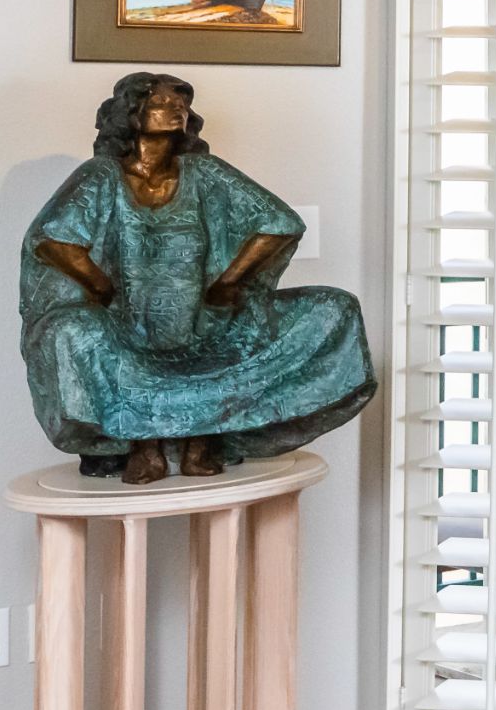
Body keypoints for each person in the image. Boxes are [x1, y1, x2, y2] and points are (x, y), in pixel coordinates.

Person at [21, 73, 375, 484]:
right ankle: (144, 444)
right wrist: (102, 287)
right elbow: (51, 240)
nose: (176, 110)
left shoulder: (204, 172)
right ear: (131, 114)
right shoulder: (101, 176)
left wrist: (228, 282)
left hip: (208, 325)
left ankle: (204, 437)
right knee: (71, 331)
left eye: (181, 105)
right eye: (161, 102)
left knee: (334, 308)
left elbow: (280, 222)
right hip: (124, 330)